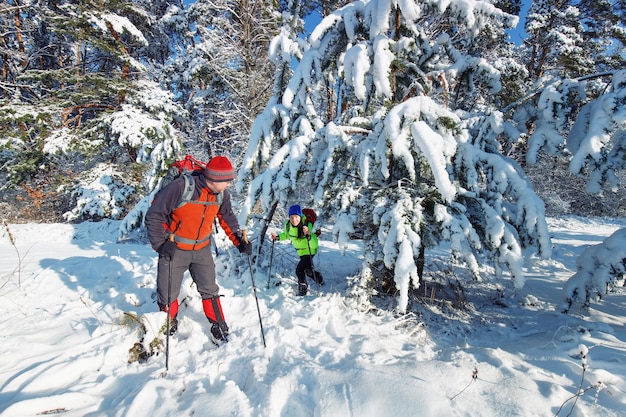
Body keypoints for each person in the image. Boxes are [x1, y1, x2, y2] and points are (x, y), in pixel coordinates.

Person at [145, 155, 252, 345]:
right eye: (227, 181)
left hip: (202, 249)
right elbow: (154, 215)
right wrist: (161, 244)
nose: (229, 185)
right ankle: (167, 325)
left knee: (210, 289)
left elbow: (227, 218)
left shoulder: (221, 195)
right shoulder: (180, 188)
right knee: (167, 291)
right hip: (174, 248)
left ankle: (218, 325)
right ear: (215, 179)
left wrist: (239, 241)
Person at [270, 204, 324, 296]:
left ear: (300, 216)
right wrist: (278, 237)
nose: (294, 220)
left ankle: (303, 288)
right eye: (291, 217)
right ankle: (319, 279)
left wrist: (309, 236)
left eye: (296, 217)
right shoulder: (288, 225)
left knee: (299, 269)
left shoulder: (307, 225)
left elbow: (314, 243)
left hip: (310, 250)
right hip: (300, 252)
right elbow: (286, 235)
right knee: (308, 271)